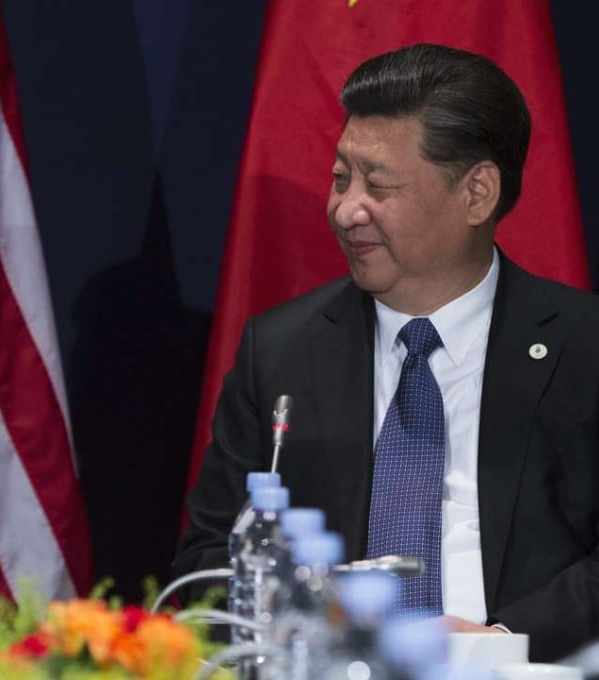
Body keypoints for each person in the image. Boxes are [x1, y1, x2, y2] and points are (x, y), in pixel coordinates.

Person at [175, 43, 599, 662]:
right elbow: (208, 563)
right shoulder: (282, 351)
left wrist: (499, 648)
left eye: (378, 185)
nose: (347, 209)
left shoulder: (583, 347)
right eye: (340, 178)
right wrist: (313, 632)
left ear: (477, 194)